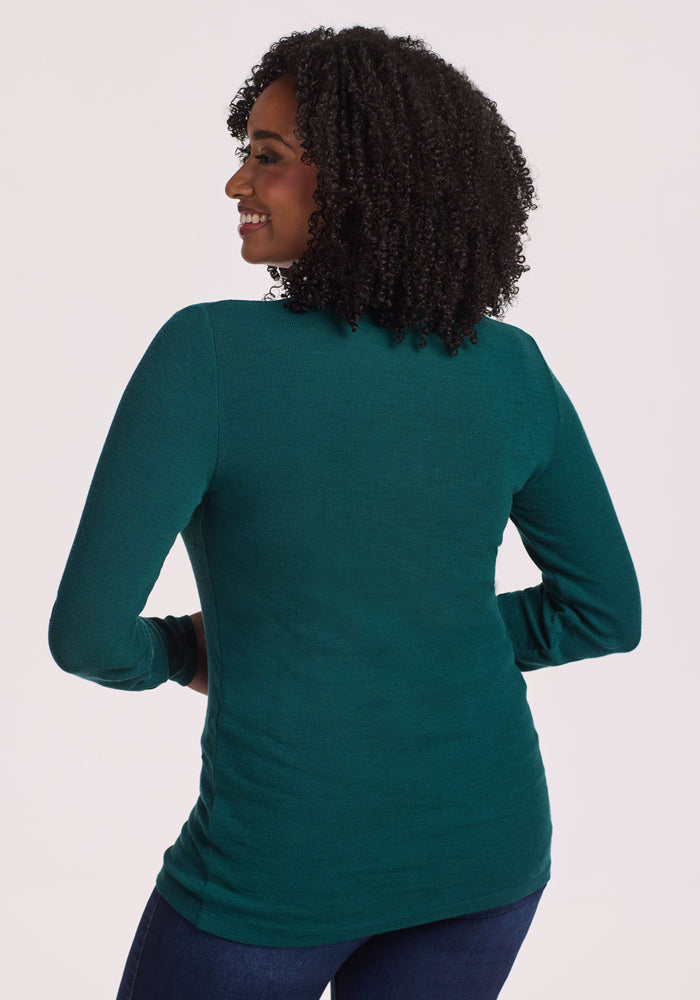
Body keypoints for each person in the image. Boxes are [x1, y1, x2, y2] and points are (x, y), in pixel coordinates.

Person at [48, 25, 641, 1000]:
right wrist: (405, 634)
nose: (237, 185)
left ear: (367, 180)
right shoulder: (510, 367)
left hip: (274, 872)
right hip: (486, 857)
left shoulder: (206, 355)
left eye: (267, 159)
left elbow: (88, 637)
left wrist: (201, 648)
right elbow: (601, 615)